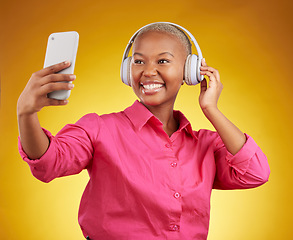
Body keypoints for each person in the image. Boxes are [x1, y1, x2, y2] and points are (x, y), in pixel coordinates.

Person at [17, 22, 270, 240]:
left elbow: (255, 173)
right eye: (139, 61)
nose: (148, 71)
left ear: (190, 71)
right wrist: (26, 114)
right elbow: (49, 163)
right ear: (127, 70)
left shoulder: (206, 144)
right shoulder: (98, 128)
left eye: (162, 60)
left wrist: (211, 109)